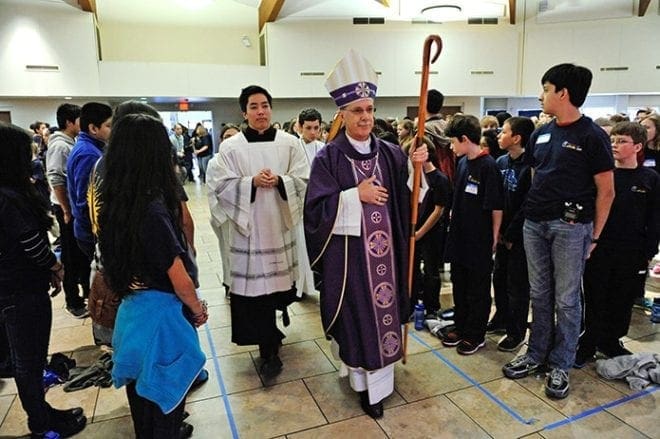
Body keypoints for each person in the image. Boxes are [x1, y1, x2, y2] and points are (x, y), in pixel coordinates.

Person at [304, 49, 428, 419]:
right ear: (342, 115)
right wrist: (352, 196)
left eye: (370, 109)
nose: (365, 117)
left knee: (387, 316)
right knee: (361, 321)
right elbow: (314, 212)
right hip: (353, 262)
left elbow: (413, 199)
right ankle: (366, 389)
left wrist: (418, 170)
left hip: (389, 261)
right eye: (357, 110)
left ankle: (383, 382)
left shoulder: (391, 154)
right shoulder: (328, 158)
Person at [502, 63, 615, 400]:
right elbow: (538, 176)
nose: (541, 95)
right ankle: (536, 354)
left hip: (572, 228)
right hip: (535, 224)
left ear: (562, 93)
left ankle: (561, 363)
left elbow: (606, 191)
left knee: (566, 301)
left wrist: (593, 235)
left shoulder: (592, 136)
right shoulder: (541, 133)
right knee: (539, 294)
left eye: (546, 88)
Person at [98, 114, 206, 439]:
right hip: (162, 317)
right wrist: (197, 309)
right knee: (165, 396)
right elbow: (179, 277)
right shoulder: (152, 209)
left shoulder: (114, 202)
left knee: (140, 390)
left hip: (132, 315)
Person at [208, 85, 309, 378]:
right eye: (254, 106)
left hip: (279, 226)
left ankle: (275, 329)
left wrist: (280, 181)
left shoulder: (290, 143)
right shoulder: (231, 147)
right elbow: (221, 186)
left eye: (265, 105)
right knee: (256, 294)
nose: (260, 111)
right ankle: (268, 348)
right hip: (249, 231)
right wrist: (250, 183)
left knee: (277, 289)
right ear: (244, 112)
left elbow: (303, 179)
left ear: (271, 109)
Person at [0, 122, 87, 438]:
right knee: (28, 360)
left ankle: (43, 413)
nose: (35, 155)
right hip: (19, 288)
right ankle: (40, 422)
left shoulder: (12, 192)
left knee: (32, 358)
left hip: (20, 286)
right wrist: (55, 266)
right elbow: (31, 243)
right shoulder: (7, 198)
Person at [576, 121, 660, 366]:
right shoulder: (603, 176)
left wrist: (648, 251)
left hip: (631, 251)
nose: (615, 145)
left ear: (637, 146)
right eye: (613, 140)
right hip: (599, 246)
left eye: (622, 141)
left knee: (622, 298)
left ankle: (610, 340)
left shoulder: (650, 178)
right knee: (594, 296)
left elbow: (654, 219)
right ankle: (588, 341)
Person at [441, 115, 503, 355]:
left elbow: (496, 207)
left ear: (465, 139)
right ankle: (461, 324)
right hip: (459, 236)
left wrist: (494, 238)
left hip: (479, 238)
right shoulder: (463, 162)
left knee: (477, 289)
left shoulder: (489, 167)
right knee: (460, 284)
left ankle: (475, 333)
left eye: (453, 141)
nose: (451, 146)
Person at [491, 116, 536, 351]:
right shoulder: (500, 162)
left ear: (516, 137)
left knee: (517, 286)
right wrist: (497, 231)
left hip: (519, 236)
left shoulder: (530, 167)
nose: (499, 135)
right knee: (498, 278)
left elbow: (527, 205)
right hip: (501, 232)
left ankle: (516, 331)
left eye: (504, 132)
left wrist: (510, 234)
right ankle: (500, 317)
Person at [46, 103, 91, 318]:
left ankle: (83, 294)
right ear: (69, 122)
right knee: (71, 255)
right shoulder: (60, 146)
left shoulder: (70, 143)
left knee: (79, 254)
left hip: (71, 207)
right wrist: (66, 209)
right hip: (66, 208)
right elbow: (55, 178)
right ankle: (73, 300)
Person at [66, 102, 112, 259]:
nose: (113, 131)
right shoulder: (89, 154)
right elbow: (87, 201)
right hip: (91, 233)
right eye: (109, 126)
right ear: (93, 128)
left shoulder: (90, 147)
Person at [206, 123, 241, 296]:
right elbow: (213, 191)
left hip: (246, 215)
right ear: (221, 140)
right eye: (227, 137)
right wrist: (223, 215)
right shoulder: (215, 162)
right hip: (226, 217)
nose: (231, 140)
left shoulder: (244, 157)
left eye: (235, 136)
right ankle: (230, 283)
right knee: (228, 252)